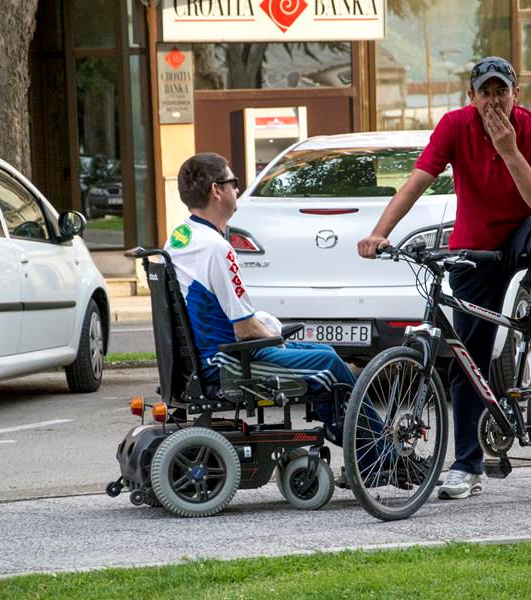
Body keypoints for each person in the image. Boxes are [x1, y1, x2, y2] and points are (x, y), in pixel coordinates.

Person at [357, 56, 531, 500]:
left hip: (523, 236)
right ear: (471, 97)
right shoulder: (454, 126)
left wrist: (510, 151)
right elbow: (416, 181)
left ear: (516, 94)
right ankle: (466, 465)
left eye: (502, 91)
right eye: (485, 93)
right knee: (467, 359)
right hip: (475, 249)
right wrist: (380, 233)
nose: (493, 101)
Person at [167, 152, 394, 478]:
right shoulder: (216, 248)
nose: (237, 190)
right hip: (226, 362)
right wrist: (276, 337)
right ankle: (380, 457)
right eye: (233, 182)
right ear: (217, 190)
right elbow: (245, 328)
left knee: (323, 352)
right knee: (329, 366)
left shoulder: (180, 238)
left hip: (204, 358)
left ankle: (372, 453)